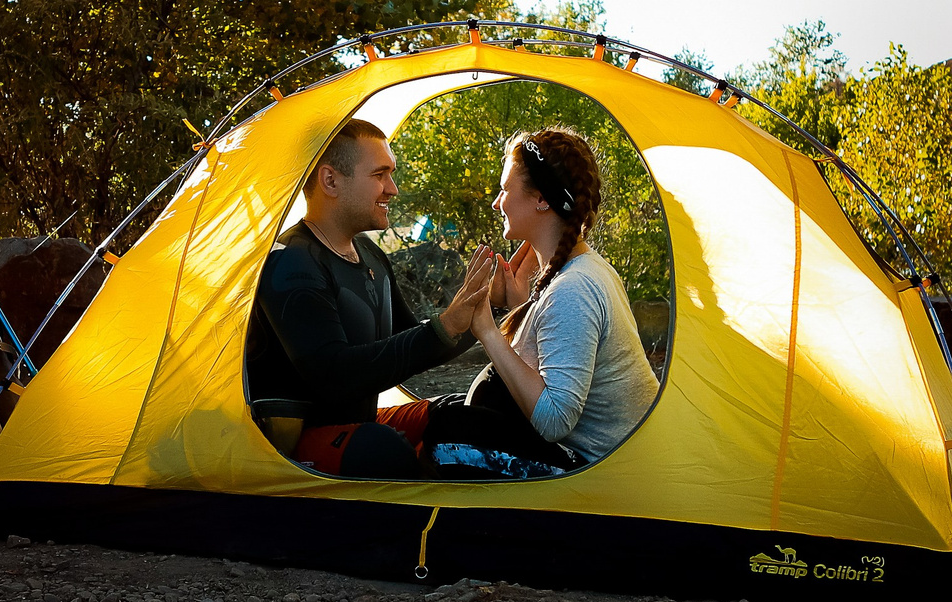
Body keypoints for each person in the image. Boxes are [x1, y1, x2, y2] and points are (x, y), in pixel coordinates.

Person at [245, 118, 493, 477]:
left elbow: (414, 341)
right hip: (296, 444)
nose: (392, 189)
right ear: (330, 180)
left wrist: (487, 305)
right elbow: (335, 377)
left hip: (363, 425)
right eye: (379, 175)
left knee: (461, 414)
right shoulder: (290, 262)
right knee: (381, 449)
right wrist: (445, 326)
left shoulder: (369, 254)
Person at [422, 126, 659, 470]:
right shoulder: (578, 271)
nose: (496, 202)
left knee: (447, 432)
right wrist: (519, 306)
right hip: (608, 465)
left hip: (606, 474)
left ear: (542, 199)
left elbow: (553, 421)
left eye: (504, 190)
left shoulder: (574, 289)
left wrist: (486, 329)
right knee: (456, 409)